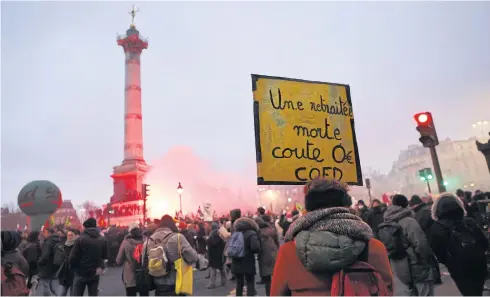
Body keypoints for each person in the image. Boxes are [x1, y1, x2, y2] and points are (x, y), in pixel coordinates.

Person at [271, 178, 393, 296]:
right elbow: (386, 290)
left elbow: (277, 293)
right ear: (347, 205)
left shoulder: (289, 251)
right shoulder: (374, 247)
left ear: (308, 208)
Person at [429, 193, 488, 296]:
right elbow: (484, 243)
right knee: (478, 290)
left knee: (468, 292)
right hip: (478, 265)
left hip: (458, 269)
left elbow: (438, 252)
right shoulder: (469, 222)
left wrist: (449, 262)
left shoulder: (437, 228)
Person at [383, 194, 434, 296]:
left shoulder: (387, 223)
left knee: (410, 290)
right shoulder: (409, 221)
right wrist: (426, 260)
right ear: (406, 204)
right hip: (416, 263)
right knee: (424, 290)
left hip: (399, 265)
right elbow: (420, 244)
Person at [146, 215, 198, 296]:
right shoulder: (178, 237)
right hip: (176, 282)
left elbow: (144, 262)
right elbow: (193, 257)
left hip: (157, 284)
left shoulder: (148, 240)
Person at [69, 218, 108, 296]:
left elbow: (72, 257)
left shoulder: (80, 239)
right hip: (94, 272)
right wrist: (100, 266)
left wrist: (73, 268)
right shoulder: (102, 239)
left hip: (80, 272)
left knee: (77, 294)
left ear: (85, 227)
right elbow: (104, 256)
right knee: (93, 294)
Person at [231, 216, 261, 296]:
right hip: (248, 262)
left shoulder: (235, 234)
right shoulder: (251, 234)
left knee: (239, 283)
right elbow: (255, 248)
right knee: (250, 283)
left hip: (236, 262)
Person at [116, 223, 148, 296]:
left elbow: (118, 260)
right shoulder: (146, 241)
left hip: (130, 276)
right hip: (144, 275)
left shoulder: (126, 242)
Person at [254, 216, 279, 296]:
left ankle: (269, 294)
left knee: (267, 280)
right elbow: (277, 241)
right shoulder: (271, 229)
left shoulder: (257, 233)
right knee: (277, 275)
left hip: (264, 256)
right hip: (274, 253)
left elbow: (257, 247)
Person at [37, 228, 61, 296]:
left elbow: (45, 256)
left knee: (45, 285)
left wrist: (39, 262)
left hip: (47, 267)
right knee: (53, 285)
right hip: (56, 265)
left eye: (45, 232)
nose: (44, 234)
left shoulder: (48, 242)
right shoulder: (58, 240)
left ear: (49, 233)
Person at [56, 229, 78, 296]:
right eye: (68, 235)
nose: (69, 237)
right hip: (65, 271)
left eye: (71, 235)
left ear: (75, 236)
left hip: (74, 271)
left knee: (73, 291)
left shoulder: (77, 245)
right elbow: (58, 258)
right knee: (63, 291)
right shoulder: (63, 245)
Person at [206, 222, 226, 289]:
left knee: (213, 269)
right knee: (222, 269)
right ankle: (223, 281)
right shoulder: (220, 235)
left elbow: (209, 248)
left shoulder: (210, 237)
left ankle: (212, 284)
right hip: (220, 255)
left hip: (213, 255)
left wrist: (209, 258)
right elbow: (224, 244)